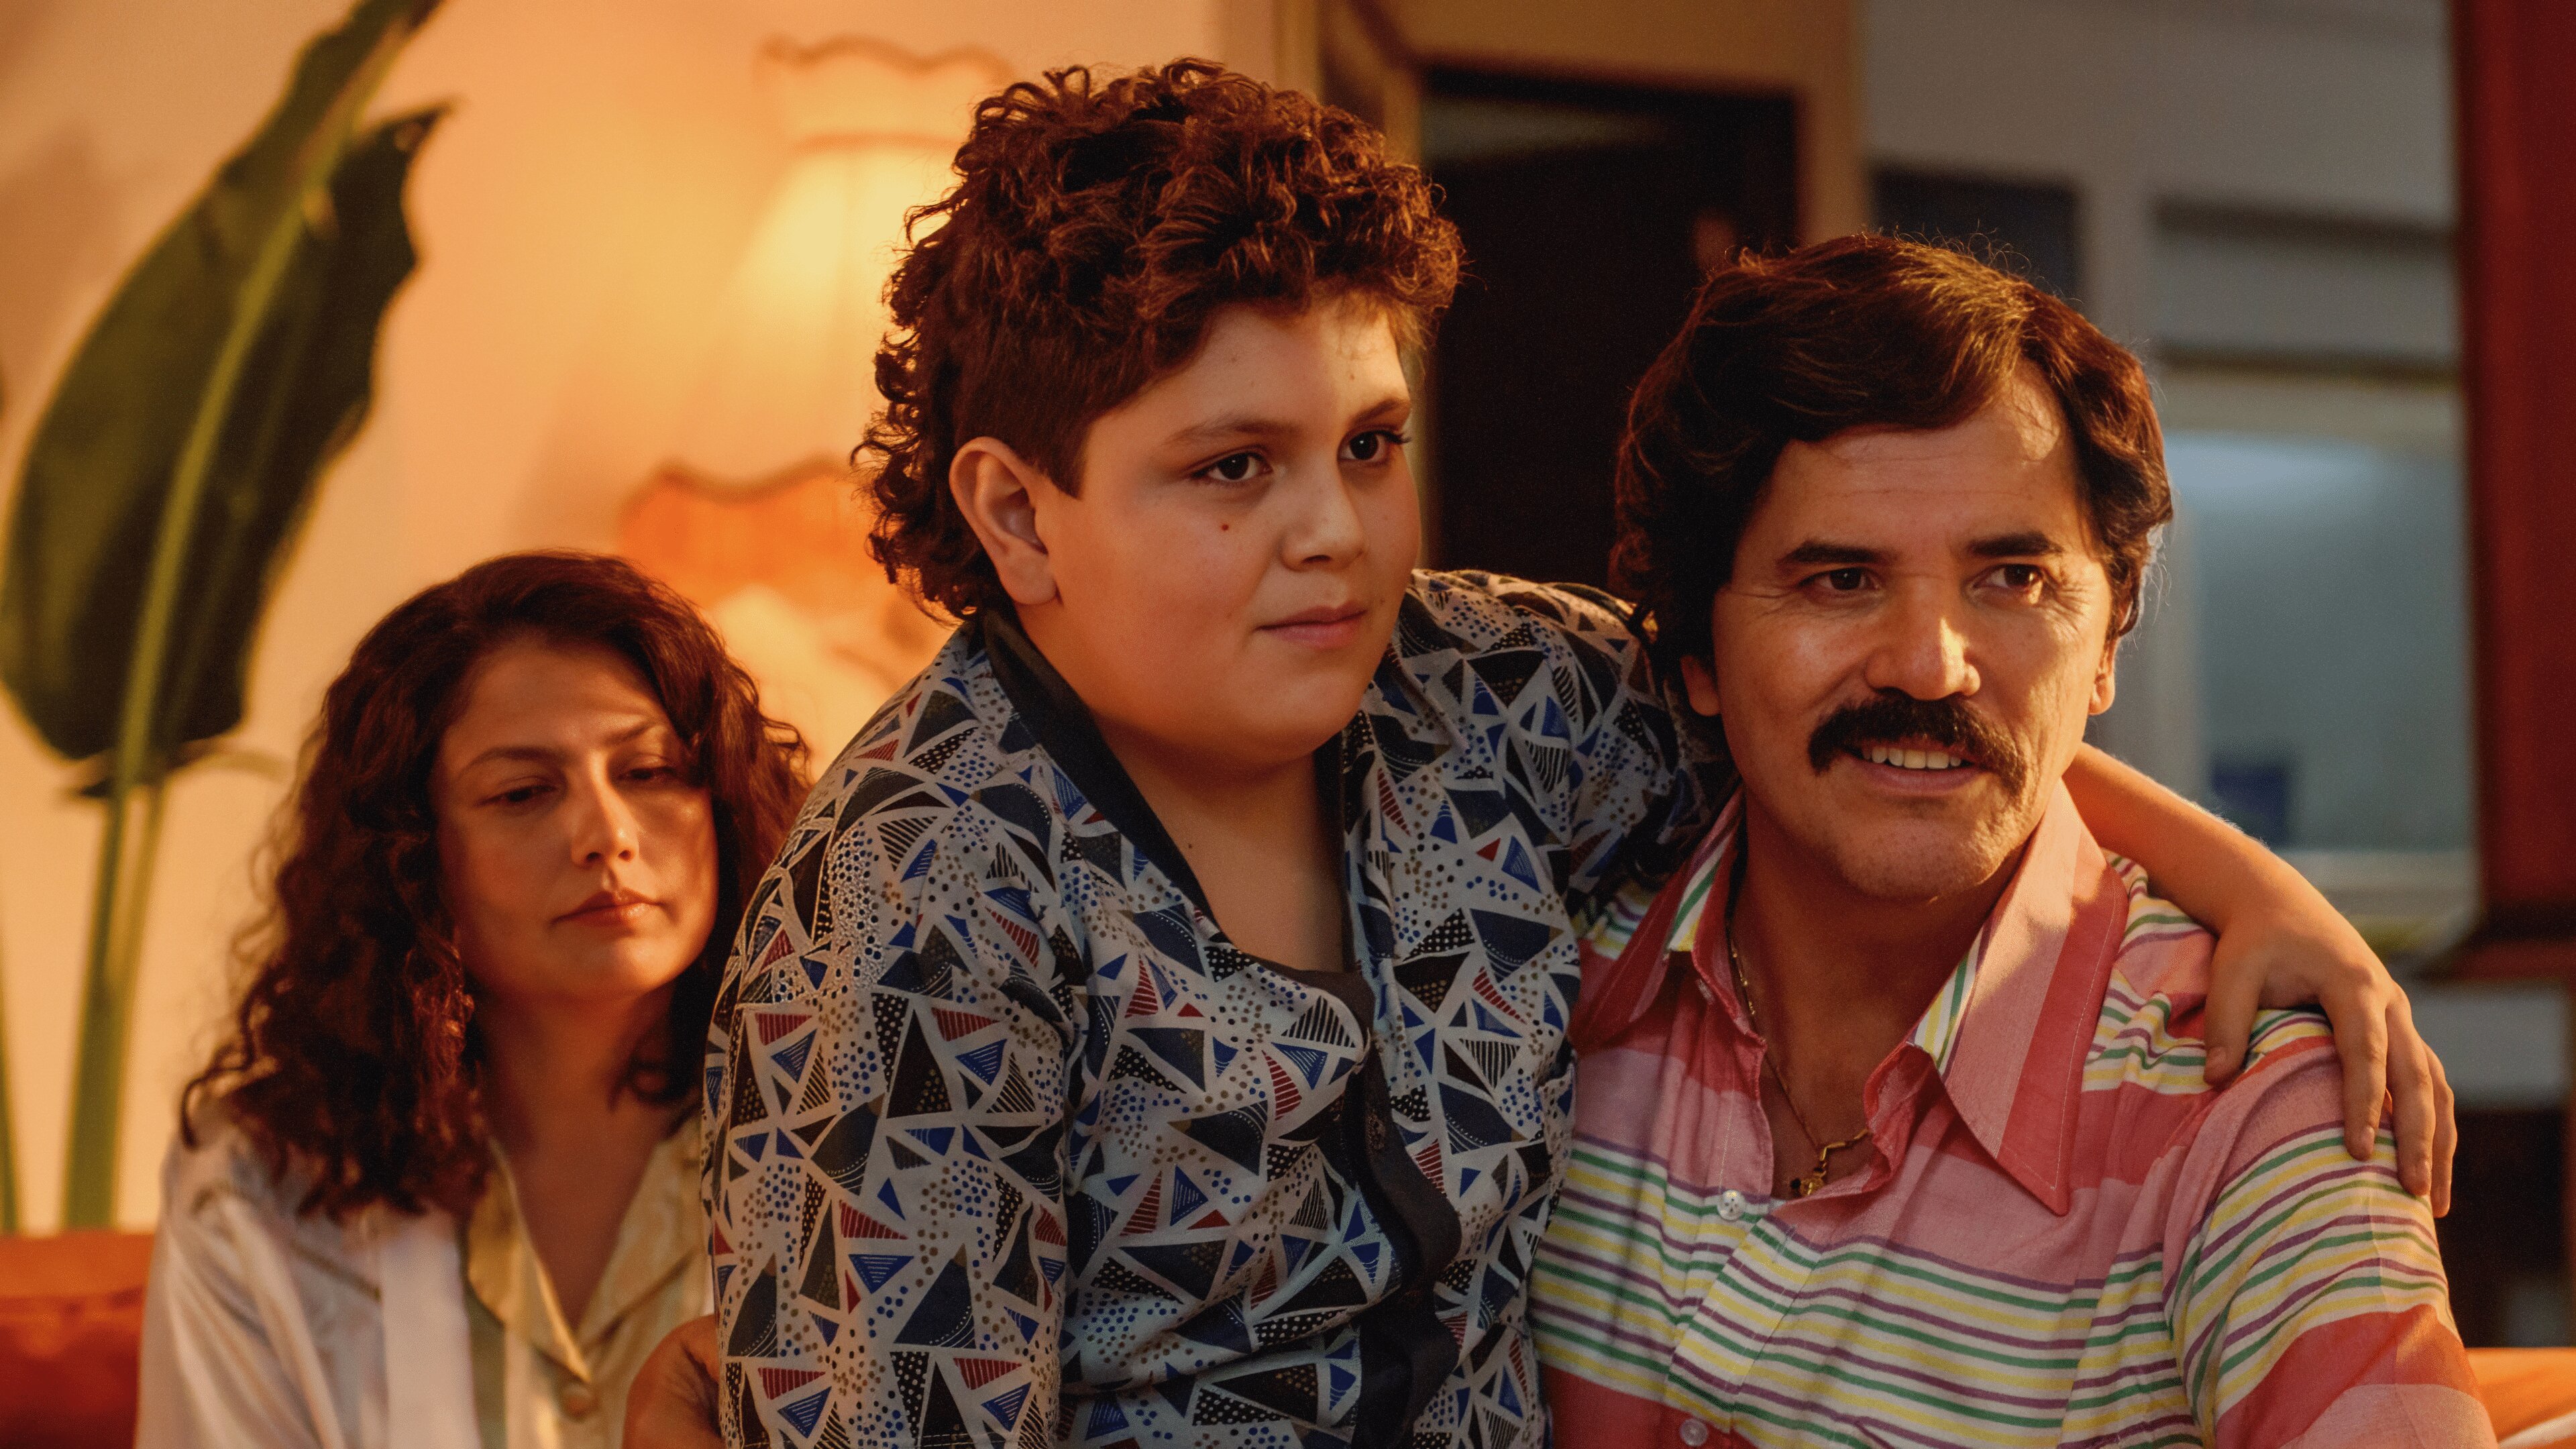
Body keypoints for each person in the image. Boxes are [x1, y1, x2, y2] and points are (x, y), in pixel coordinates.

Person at [672, 62, 2456, 1449]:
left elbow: (1882, 733)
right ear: (1018, 513)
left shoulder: (1481, 689)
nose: (1335, 533)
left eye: (1370, 445)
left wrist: (2252, 888)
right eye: (1234, 468)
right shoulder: (911, 902)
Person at [1532, 235, 2483, 1446]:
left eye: (2015, 579)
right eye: (1839, 580)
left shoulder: (2252, 1106)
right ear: (1696, 652)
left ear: (2108, 642)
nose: (1931, 665)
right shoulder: (1530, 997)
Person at [138, 551, 806, 1448]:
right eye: (523, 792)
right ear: (411, 854)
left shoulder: (849, 1128)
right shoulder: (259, 1183)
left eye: (650, 772)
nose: (607, 834)